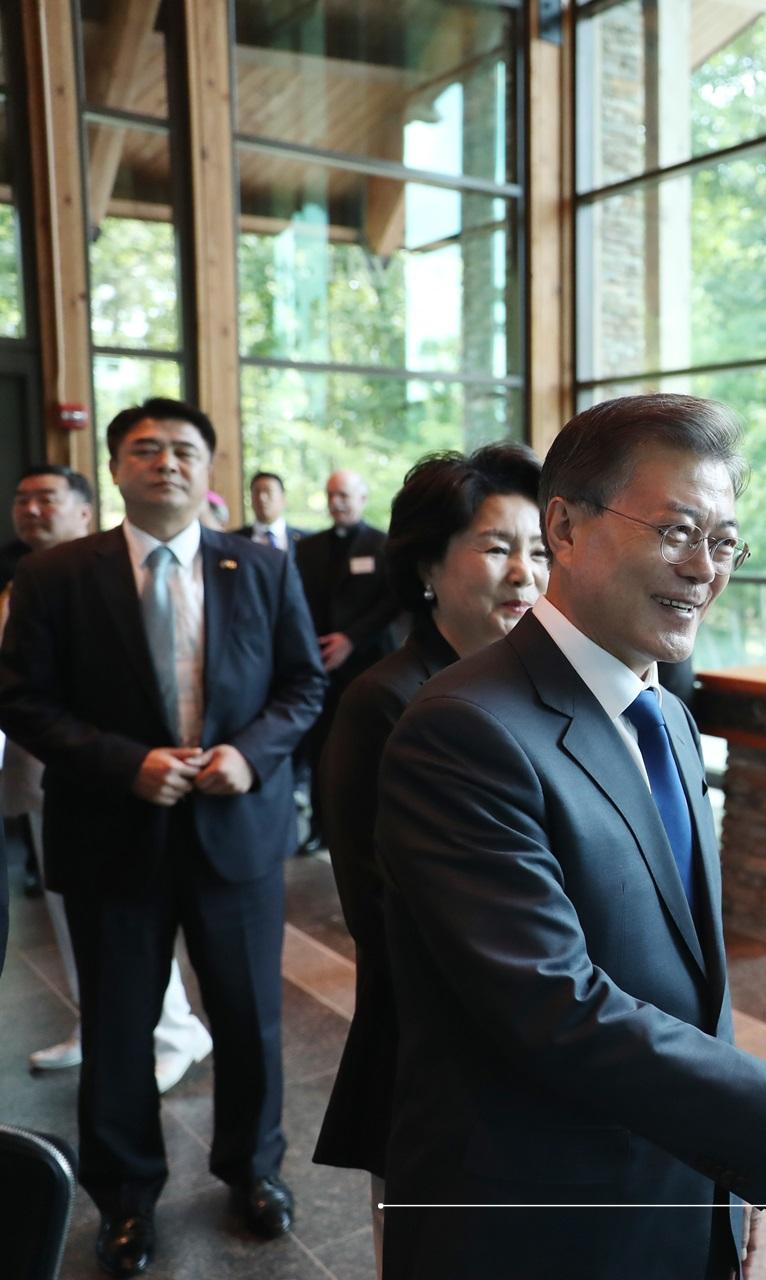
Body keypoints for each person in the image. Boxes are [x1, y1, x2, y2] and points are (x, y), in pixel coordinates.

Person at [374, 395, 766, 1279]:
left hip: (678, 1187)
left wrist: (728, 1170)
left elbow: (688, 987)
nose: (704, 570)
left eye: (723, 542)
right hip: (540, 1225)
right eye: (676, 531)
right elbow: (557, 1010)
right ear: (563, 525)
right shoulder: (463, 730)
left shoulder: (667, 716)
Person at [0, 398, 327, 1278]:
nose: (167, 463)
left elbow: (302, 685)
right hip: (113, 834)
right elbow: (23, 700)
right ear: (114, 469)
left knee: (251, 1021)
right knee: (116, 1029)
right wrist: (126, 762)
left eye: (185, 449)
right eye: (145, 449)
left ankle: (253, 1170)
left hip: (237, 833)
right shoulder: (59, 575)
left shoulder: (257, 567)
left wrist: (250, 758)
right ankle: (125, 1199)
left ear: (208, 470)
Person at [313, 443, 550, 1273]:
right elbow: (377, 911)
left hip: (546, 1042)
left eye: (541, 551)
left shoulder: (539, 686)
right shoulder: (385, 701)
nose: (525, 574)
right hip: (435, 1050)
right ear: (426, 566)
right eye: (496, 547)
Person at [6, 465, 215, 1091]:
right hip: (47, 774)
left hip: (125, 776)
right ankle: (94, 1022)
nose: (31, 511)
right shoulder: (33, 577)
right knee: (76, 918)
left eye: (47, 499)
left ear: (85, 509)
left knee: (137, 913)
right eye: (22, 500)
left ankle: (175, 1029)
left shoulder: (110, 572)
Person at [293, 469, 400, 851]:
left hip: (368, 662)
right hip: (320, 666)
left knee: (373, 749)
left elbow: (392, 601)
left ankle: (375, 832)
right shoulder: (307, 547)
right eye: (331, 494)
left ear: (362, 497)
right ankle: (322, 828)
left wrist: (350, 640)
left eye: (344, 495)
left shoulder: (383, 545)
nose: (336, 502)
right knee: (323, 751)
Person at [242, 471, 305, 551]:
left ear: (283, 499)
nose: (261, 498)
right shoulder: (234, 540)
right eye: (256, 492)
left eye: (268, 491)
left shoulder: (305, 540)